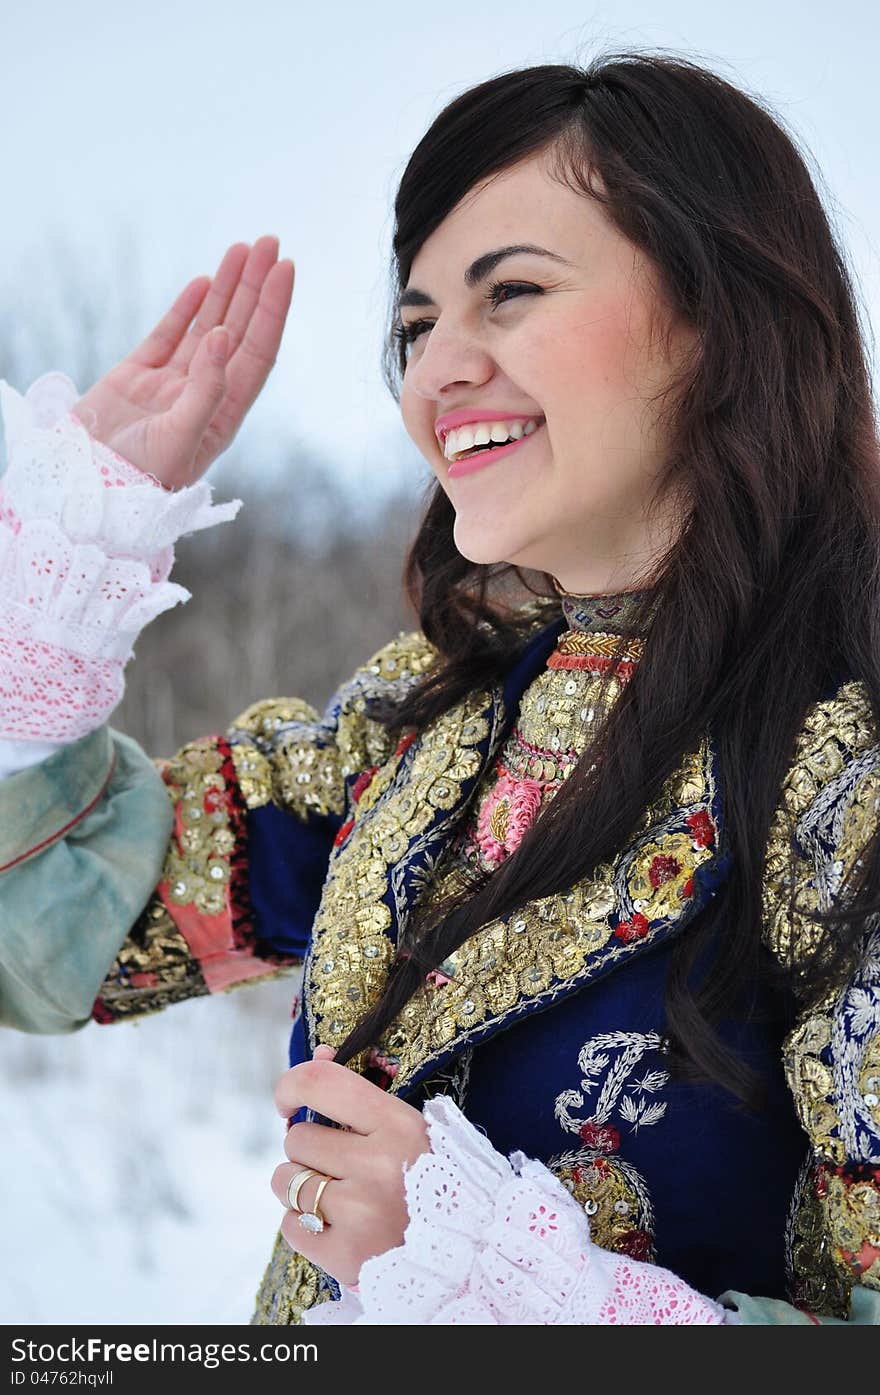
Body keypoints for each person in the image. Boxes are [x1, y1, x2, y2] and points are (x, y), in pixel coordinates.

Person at [2, 52, 879, 1327]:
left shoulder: (842, 780)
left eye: (509, 294)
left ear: (720, 315)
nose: (434, 371)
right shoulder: (428, 725)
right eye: (414, 326)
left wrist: (516, 1291)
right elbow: (50, 940)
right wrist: (59, 586)